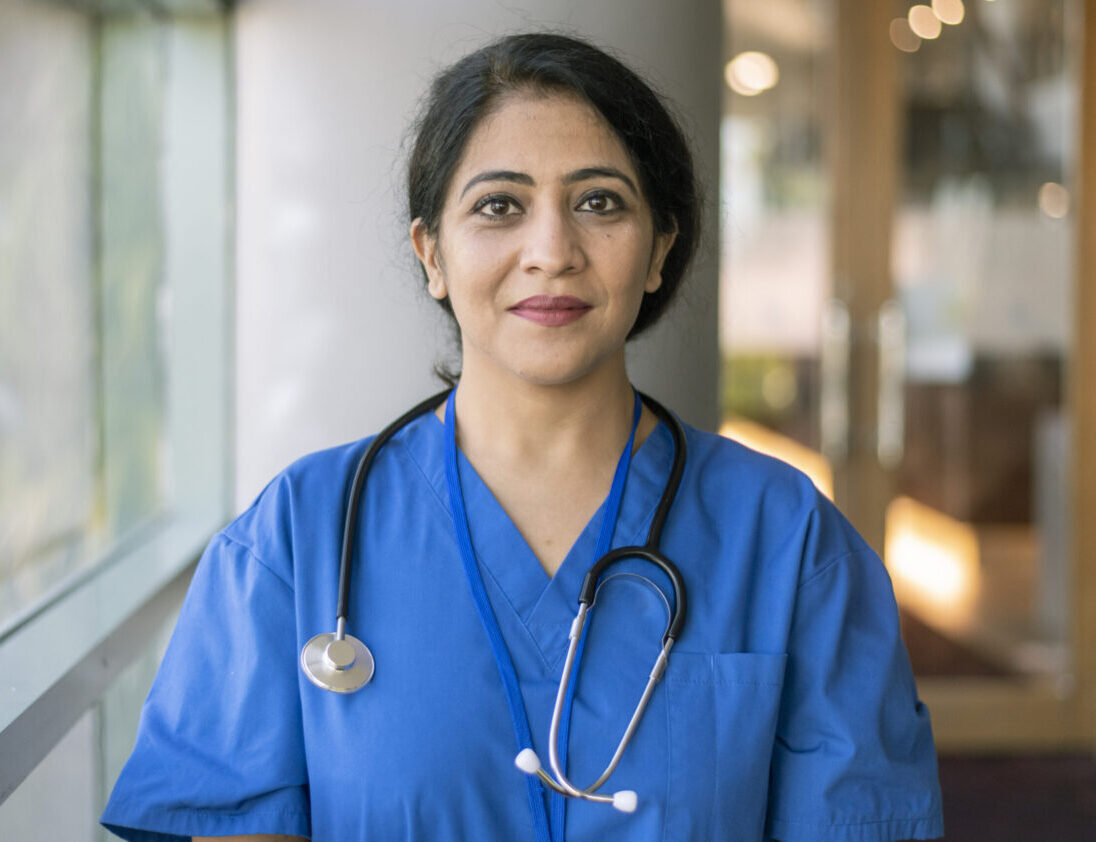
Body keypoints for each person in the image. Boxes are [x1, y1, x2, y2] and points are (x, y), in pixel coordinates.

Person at [100, 32, 943, 842]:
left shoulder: (788, 539)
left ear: (658, 252)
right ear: (431, 252)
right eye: (499, 205)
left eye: (599, 203)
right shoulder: (295, 538)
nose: (551, 250)